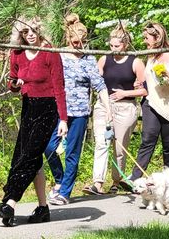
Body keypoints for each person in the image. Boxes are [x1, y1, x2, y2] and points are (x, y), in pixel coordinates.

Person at [0, 16, 68, 227]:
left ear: (40, 30)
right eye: (25, 32)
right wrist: (16, 83)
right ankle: (43, 208)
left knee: (29, 156)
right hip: (28, 107)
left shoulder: (50, 52)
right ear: (20, 35)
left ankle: (10, 202)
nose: (30, 34)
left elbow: (59, 86)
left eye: (33, 30)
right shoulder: (16, 53)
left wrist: (63, 119)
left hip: (48, 108)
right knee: (26, 157)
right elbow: (12, 84)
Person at [43, 14, 113, 206]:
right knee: (49, 147)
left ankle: (65, 193)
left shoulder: (89, 59)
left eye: (82, 42)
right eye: (75, 42)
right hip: (59, 110)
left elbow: (100, 85)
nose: (78, 45)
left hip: (80, 112)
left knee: (73, 153)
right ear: (68, 39)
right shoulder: (59, 56)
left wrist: (108, 109)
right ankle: (59, 179)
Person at [83, 23, 147, 195]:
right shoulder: (104, 59)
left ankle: (116, 181)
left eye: (117, 46)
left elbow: (144, 90)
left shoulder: (136, 62)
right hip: (104, 105)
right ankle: (97, 182)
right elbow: (96, 82)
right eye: (111, 46)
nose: (113, 49)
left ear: (125, 44)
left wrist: (125, 92)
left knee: (119, 147)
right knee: (101, 143)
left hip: (126, 107)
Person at [129, 22, 169, 182]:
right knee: (147, 140)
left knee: (168, 147)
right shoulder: (152, 57)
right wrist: (141, 84)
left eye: (146, 38)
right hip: (151, 104)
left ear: (158, 38)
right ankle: (135, 178)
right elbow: (151, 81)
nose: (144, 41)